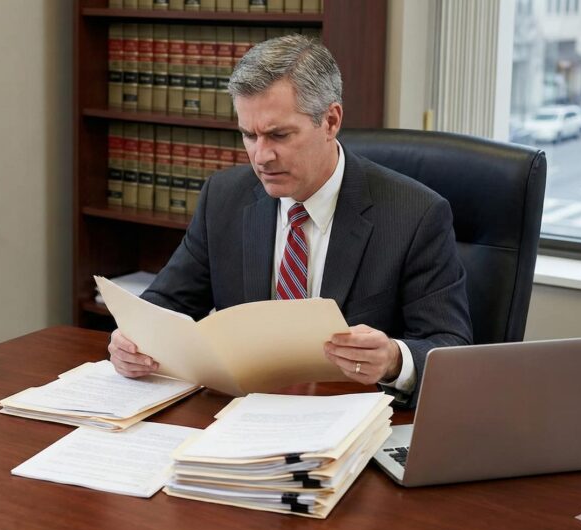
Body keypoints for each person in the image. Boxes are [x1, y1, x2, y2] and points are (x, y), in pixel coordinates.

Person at [107, 35, 471, 408]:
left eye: (279, 135)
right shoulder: (224, 197)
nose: (261, 156)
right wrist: (132, 341)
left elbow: (450, 347)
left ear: (330, 121)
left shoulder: (415, 215)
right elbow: (165, 304)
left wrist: (394, 358)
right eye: (249, 135)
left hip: (351, 425)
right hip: (242, 418)